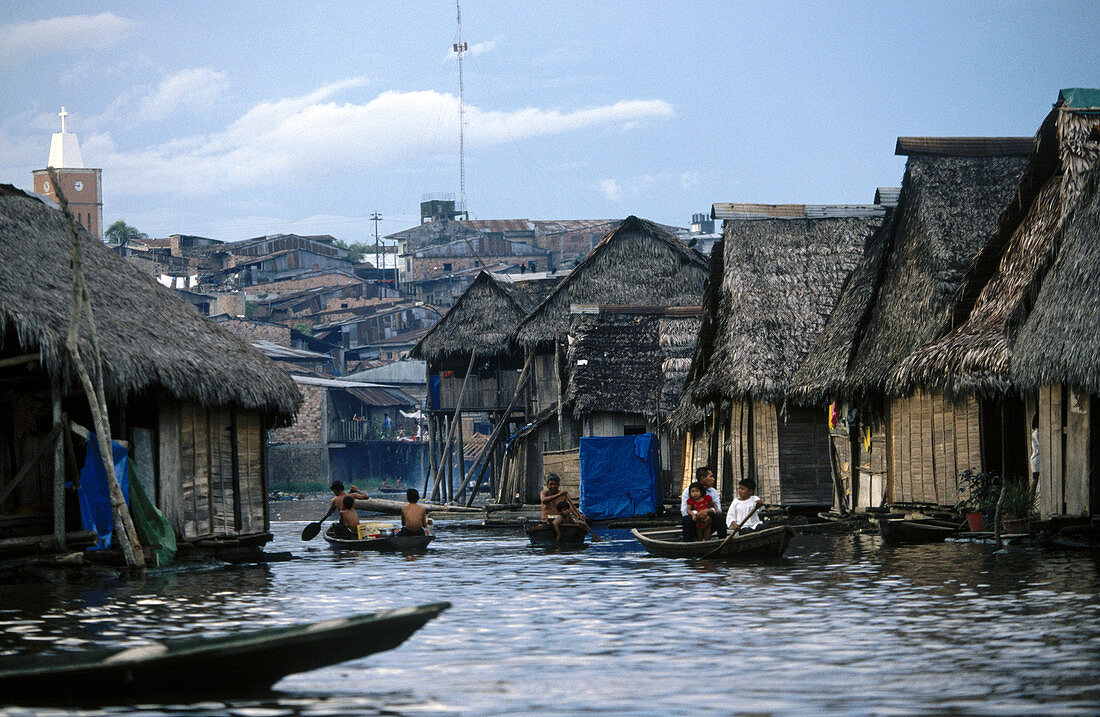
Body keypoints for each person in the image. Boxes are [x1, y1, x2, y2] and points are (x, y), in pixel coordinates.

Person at [680, 467, 726, 540]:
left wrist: (708, 511)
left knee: (720, 516)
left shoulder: (713, 491)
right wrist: (698, 514)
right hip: (694, 521)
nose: (713, 479)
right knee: (687, 519)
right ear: (702, 478)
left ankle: (723, 541)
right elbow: (684, 511)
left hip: (709, 521)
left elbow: (718, 509)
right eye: (711, 476)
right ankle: (687, 543)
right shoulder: (688, 491)